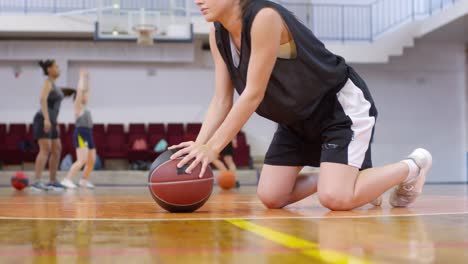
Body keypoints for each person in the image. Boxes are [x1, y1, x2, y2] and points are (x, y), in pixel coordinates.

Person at [170, 0, 432, 210]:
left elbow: (252, 94)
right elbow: (222, 99)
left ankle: (413, 167)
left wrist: (212, 148)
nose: (197, 1)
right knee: (271, 196)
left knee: (335, 200)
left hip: (338, 108)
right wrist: (199, 145)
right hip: (295, 119)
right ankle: (356, 183)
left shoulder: (264, 17)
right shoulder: (218, 33)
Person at [31, 60, 66, 191]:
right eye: (56, 66)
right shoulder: (47, 83)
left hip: (52, 120)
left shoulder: (54, 85)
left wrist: (54, 122)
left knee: (57, 149)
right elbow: (42, 99)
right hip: (43, 118)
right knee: (45, 149)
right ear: (50, 69)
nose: (59, 69)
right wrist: (46, 119)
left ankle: (52, 181)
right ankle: (37, 181)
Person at [61, 69, 96, 189]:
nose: (86, 96)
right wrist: (81, 77)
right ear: (79, 97)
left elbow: (87, 90)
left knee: (91, 161)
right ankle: (67, 179)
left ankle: (84, 180)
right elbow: (80, 90)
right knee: (82, 160)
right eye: (83, 95)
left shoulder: (85, 107)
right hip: (80, 133)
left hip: (88, 133)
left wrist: (88, 79)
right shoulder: (77, 106)